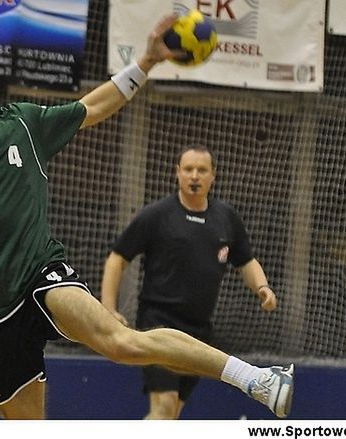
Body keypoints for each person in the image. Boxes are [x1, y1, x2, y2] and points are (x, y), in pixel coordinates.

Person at [0, 15, 294, 420]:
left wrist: (146, 61)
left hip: (40, 271)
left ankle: (256, 379)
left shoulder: (22, 124)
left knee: (121, 343)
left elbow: (92, 107)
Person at [101, 145, 279, 419]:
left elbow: (246, 261)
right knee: (164, 408)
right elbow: (118, 258)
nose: (194, 176)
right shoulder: (157, 214)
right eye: (188, 169)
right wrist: (108, 309)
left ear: (213, 176)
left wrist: (262, 287)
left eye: (202, 170)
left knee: (170, 416)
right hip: (159, 324)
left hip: (199, 331)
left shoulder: (226, 218)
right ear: (177, 173)